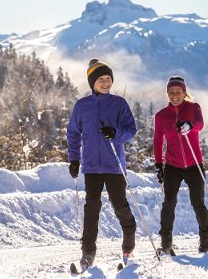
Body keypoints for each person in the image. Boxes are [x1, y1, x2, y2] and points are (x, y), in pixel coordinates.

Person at [67, 58, 137, 268]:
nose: (106, 83)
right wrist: (74, 159)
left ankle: (129, 234)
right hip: (91, 166)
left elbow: (131, 130)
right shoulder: (82, 106)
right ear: (92, 82)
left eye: (109, 79)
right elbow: (73, 133)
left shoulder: (119, 103)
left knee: (119, 204)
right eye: (101, 79)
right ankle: (88, 252)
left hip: (114, 165)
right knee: (92, 208)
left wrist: (115, 133)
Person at [153, 76, 208, 254]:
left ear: (184, 92)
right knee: (168, 203)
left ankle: (205, 241)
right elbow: (157, 141)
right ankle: (166, 244)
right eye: (171, 92)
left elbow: (200, 124)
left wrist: (190, 125)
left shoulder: (194, 108)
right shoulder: (161, 115)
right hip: (172, 165)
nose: (175, 95)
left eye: (178, 92)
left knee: (198, 203)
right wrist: (158, 164)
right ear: (167, 93)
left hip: (194, 164)